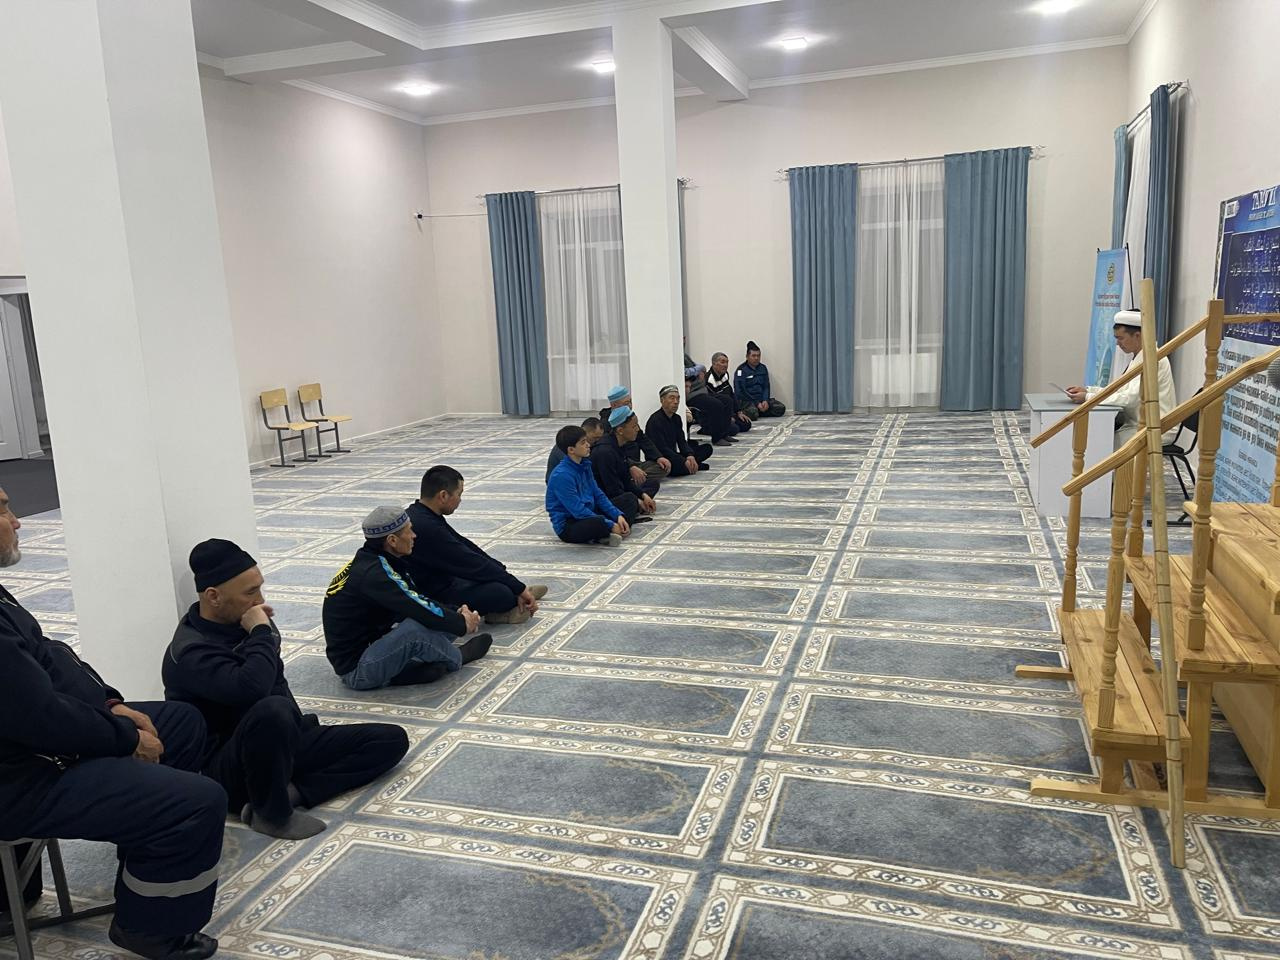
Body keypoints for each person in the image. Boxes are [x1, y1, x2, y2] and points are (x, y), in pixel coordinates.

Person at [0, 487, 225, 960]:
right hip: (19, 777)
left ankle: (149, 865)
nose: (17, 520)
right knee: (197, 802)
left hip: (30, 747)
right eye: (3, 509)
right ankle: (151, 930)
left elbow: (50, 658)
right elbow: (40, 717)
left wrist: (110, 704)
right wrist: (124, 738)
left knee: (181, 722)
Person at [164, 539, 410, 842]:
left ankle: (290, 793)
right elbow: (251, 689)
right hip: (231, 766)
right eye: (250, 593)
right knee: (272, 708)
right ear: (213, 596)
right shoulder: (190, 652)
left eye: (259, 588)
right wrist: (260, 632)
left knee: (389, 740)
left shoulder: (248, 623)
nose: (260, 600)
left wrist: (259, 632)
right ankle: (272, 814)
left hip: (283, 742)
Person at [323, 506, 492, 690]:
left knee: (435, 619)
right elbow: (415, 606)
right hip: (358, 670)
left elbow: (416, 598)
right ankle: (458, 657)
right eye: (409, 531)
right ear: (392, 540)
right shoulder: (374, 574)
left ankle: (400, 673)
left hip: (376, 645)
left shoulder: (380, 560)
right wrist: (462, 623)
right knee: (415, 631)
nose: (414, 536)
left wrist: (457, 613)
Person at [404, 466, 548, 625]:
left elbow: (465, 546)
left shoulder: (421, 513)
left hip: (444, 577)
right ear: (443, 495)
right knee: (500, 592)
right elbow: (469, 561)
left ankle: (519, 594)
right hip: (433, 594)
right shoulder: (427, 527)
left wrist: (504, 573)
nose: (460, 500)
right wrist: (517, 587)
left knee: (494, 575)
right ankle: (510, 605)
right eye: (459, 494)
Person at [1066, 312, 1177, 448]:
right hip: (1137, 423)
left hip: (1157, 427)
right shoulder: (1139, 358)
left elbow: (1129, 399)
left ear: (1137, 336)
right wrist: (1089, 391)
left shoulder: (1154, 360)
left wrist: (1088, 397)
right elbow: (1119, 390)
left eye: (1121, 338)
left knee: (1102, 446)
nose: (1117, 344)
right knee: (1098, 440)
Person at [545, 424, 630, 546]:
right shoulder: (562, 475)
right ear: (571, 450)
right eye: (583, 442)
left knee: (629, 500)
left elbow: (598, 494)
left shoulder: (585, 465)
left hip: (590, 511)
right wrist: (609, 524)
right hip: (570, 523)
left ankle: (605, 533)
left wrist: (617, 516)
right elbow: (577, 511)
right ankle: (605, 532)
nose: (588, 445)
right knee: (598, 522)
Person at [591, 407, 658, 524]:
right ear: (620, 430)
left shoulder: (620, 445)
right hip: (604, 499)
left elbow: (625, 480)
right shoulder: (605, 452)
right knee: (629, 499)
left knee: (652, 484)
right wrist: (637, 500)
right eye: (634, 426)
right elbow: (612, 489)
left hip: (618, 491)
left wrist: (643, 496)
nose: (637, 429)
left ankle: (635, 508)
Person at [600, 385, 668, 493]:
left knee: (663, 467)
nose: (630, 406)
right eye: (626, 403)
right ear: (614, 405)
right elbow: (614, 453)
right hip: (620, 465)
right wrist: (630, 466)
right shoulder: (607, 423)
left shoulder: (629, 417)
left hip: (636, 463)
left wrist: (658, 457)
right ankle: (631, 480)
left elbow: (643, 439)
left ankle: (635, 479)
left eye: (630, 402)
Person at [645, 384, 712, 476]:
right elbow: (662, 448)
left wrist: (689, 455)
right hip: (661, 458)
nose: (676, 402)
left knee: (707, 448)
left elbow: (682, 441)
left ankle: (692, 465)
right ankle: (694, 466)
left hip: (674, 455)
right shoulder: (655, 421)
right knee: (676, 466)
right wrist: (683, 460)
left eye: (678, 398)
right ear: (662, 400)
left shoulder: (677, 418)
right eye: (672, 398)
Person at [735, 340, 786, 419]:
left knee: (780, 408)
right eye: (753, 356)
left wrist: (765, 400)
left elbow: (766, 387)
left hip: (761, 400)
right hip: (748, 401)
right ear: (747, 356)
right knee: (752, 412)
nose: (756, 358)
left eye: (758, 356)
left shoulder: (763, 368)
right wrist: (756, 403)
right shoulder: (741, 370)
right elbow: (740, 391)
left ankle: (760, 410)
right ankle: (755, 411)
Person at [686, 371, 737, 445]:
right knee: (716, 404)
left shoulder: (693, 366)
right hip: (692, 395)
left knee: (727, 400)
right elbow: (690, 371)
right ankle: (717, 438)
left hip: (703, 392)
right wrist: (697, 371)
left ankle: (724, 434)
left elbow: (700, 368)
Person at [707, 351, 753, 434]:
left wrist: (738, 412)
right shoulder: (709, 379)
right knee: (734, 429)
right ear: (714, 363)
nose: (725, 365)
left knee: (746, 424)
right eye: (722, 362)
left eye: (727, 362)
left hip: (728, 411)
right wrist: (728, 417)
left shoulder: (725, 375)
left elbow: (731, 394)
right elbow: (713, 403)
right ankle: (706, 429)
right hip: (715, 414)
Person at [546, 416, 603, 482]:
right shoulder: (565, 448)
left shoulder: (583, 451)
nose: (597, 441)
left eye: (600, 438)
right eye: (595, 438)